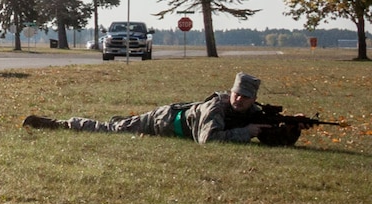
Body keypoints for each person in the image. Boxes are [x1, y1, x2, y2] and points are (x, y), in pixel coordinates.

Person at [24, 70, 280, 143]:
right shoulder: (214, 108)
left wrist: (292, 128)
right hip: (163, 121)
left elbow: (268, 132)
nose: (239, 100)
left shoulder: (251, 112)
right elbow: (209, 140)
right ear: (231, 92)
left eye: (245, 97)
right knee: (111, 130)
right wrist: (247, 133)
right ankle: (61, 124)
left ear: (253, 100)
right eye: (237, 94)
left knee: (118, 125)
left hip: (170, 121)